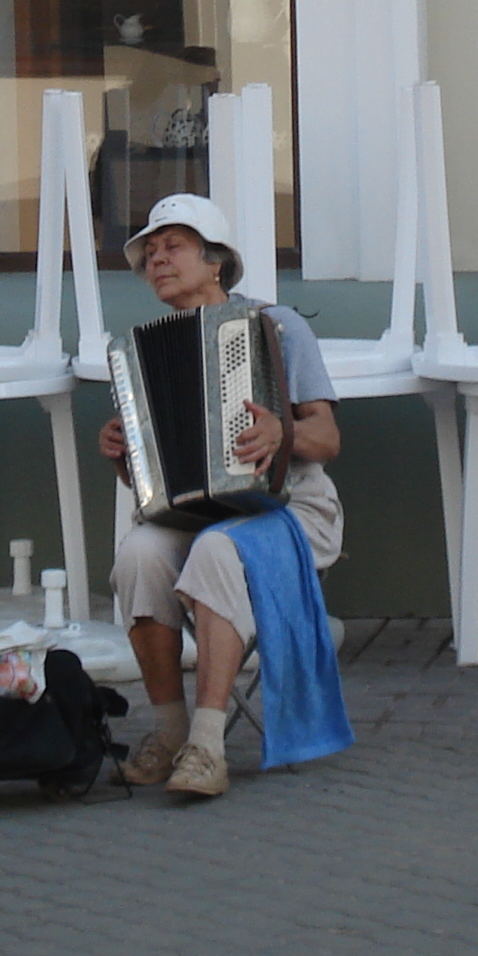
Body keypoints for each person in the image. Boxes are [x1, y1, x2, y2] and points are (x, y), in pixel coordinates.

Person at [101, 192, 342, 799]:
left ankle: (208, 746)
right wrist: (125, 453)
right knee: (138, 553)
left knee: (216, 549)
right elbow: (155, 476)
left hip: (291, 510)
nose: (157, 261)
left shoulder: (277, 325)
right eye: (149, 253)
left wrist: (283, 432)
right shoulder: (142, 350)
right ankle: (170, 728)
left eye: (172, 247)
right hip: (195, 515)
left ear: (216, 263)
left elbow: (328, 438)